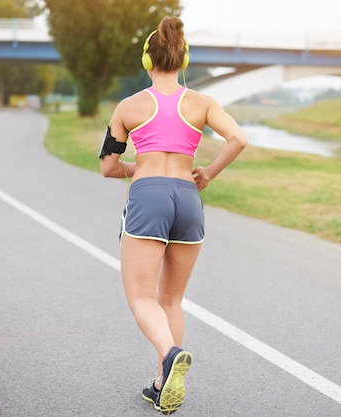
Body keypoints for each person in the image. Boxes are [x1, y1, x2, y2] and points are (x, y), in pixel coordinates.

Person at [99, 16, 246, 415]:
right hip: (188, 198)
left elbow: (109, 167)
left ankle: (169, 354)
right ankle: (163, 385)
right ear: (184, 60)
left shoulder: (129, 106)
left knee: (141, 298)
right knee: (171, 299)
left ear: (148, 61)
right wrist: (208, 173)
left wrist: (141, 170)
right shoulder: (203, 104)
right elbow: (239, 138)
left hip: (149, 197)